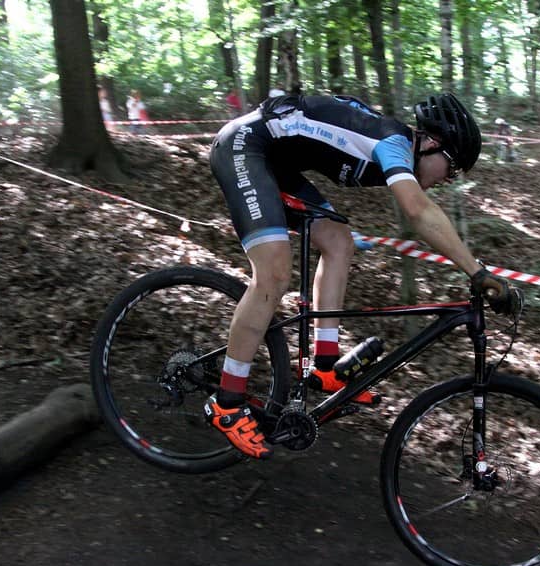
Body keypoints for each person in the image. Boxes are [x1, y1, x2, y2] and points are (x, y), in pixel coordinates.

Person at [207, 93, 522, 459]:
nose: (448, 179)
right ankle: (227, 402)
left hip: (275, 161)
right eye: (451, 168)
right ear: (431, 144)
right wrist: (477, 272)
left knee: (339, 243)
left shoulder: (394, 142)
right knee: (274, 274)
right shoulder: (394, 144)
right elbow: (418, 212)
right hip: (245, 146)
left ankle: (325, 367)